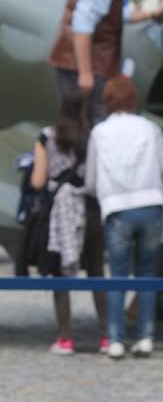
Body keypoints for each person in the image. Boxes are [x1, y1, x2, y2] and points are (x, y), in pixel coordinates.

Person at [85, 75, 163, 360]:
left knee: (118, 276)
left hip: (116, 209)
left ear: (107, 101)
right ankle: (145, 336)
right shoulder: (149, 128)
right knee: (147, 274)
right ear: (133, 99)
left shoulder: (99, 132)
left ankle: (115, 339)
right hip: (150, 205)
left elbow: (89, 180)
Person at [49, 0, 163, 123]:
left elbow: (113, 16)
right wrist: (85, 73)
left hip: (90, 67)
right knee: (85, 124)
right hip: (86, 69)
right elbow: (82, 28)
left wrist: (152, 13)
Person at [30, 88, 108, 355]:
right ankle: (106, 336)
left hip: (60, 213)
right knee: (97, 273)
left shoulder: (47, 136)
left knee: (60, 275)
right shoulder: (94, 137)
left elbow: (38, 181)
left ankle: (65, 338)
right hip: (90, 210)